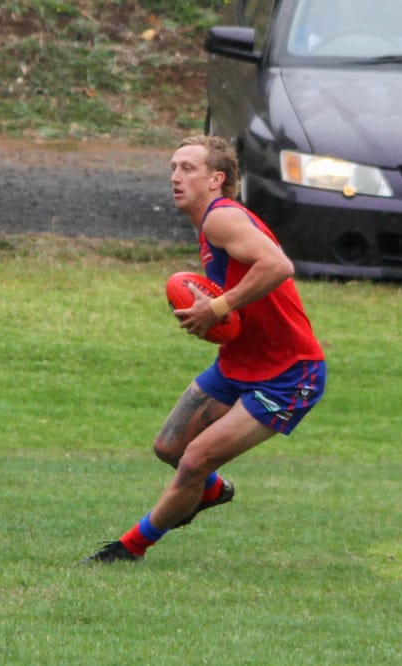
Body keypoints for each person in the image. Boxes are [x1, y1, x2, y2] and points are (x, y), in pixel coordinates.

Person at [82, 135, 326, 563]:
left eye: (188, 169)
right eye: (173, 168)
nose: (176, 177)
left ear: (216, 180)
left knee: (193, 459)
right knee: (169, 450)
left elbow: (278, 266)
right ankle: (211, 491)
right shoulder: (209, 225)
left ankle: (128, 549)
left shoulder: (221, 219)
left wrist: (216, 307)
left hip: (289, 373)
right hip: (240, 363)